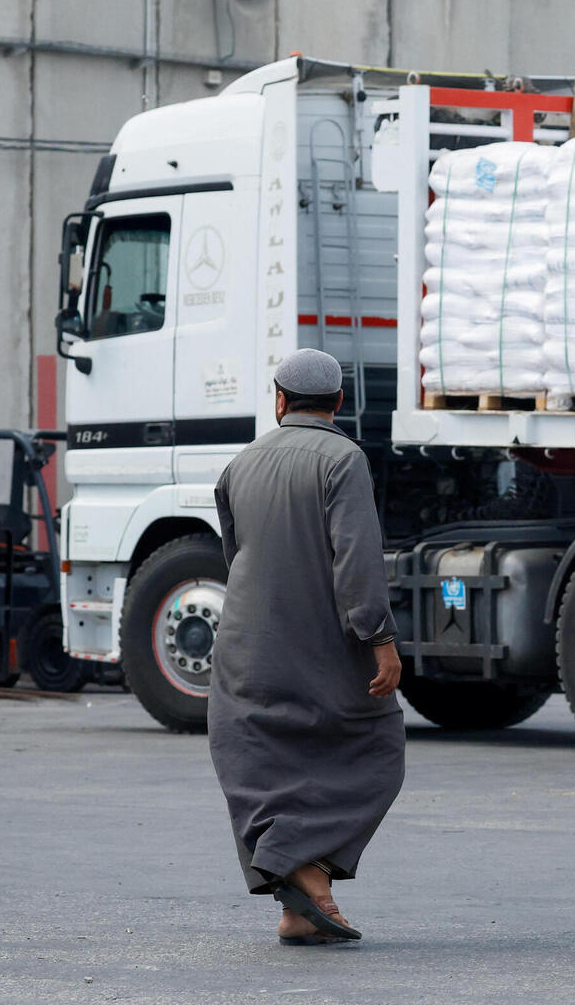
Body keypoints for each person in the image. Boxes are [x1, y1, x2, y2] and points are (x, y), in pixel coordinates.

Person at [208, 348, 405, 946]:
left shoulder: (241, 463)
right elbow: (358, 560)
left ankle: (300, 908)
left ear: (280, 399)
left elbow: (233, 553)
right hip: (323, 641)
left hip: (244, 643)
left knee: (259, 761)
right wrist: (380, 638)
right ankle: (311, 880)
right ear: (340, 403)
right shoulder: (343, 459)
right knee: (375, 751)